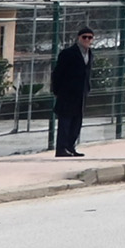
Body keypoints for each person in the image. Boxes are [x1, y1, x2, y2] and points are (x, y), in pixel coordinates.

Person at [48, 26, 96, 157]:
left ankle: (71, 147)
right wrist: (57, 90)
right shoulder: (68, 53)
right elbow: (57, 73)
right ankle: (61, 148)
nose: (87, 40)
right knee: (65, 121)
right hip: (67, 92)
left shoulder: (90, 54)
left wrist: (87, 88)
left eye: (90, 37)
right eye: (84, 37)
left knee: (77, 121)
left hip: (81, 92)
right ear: (78, 38)